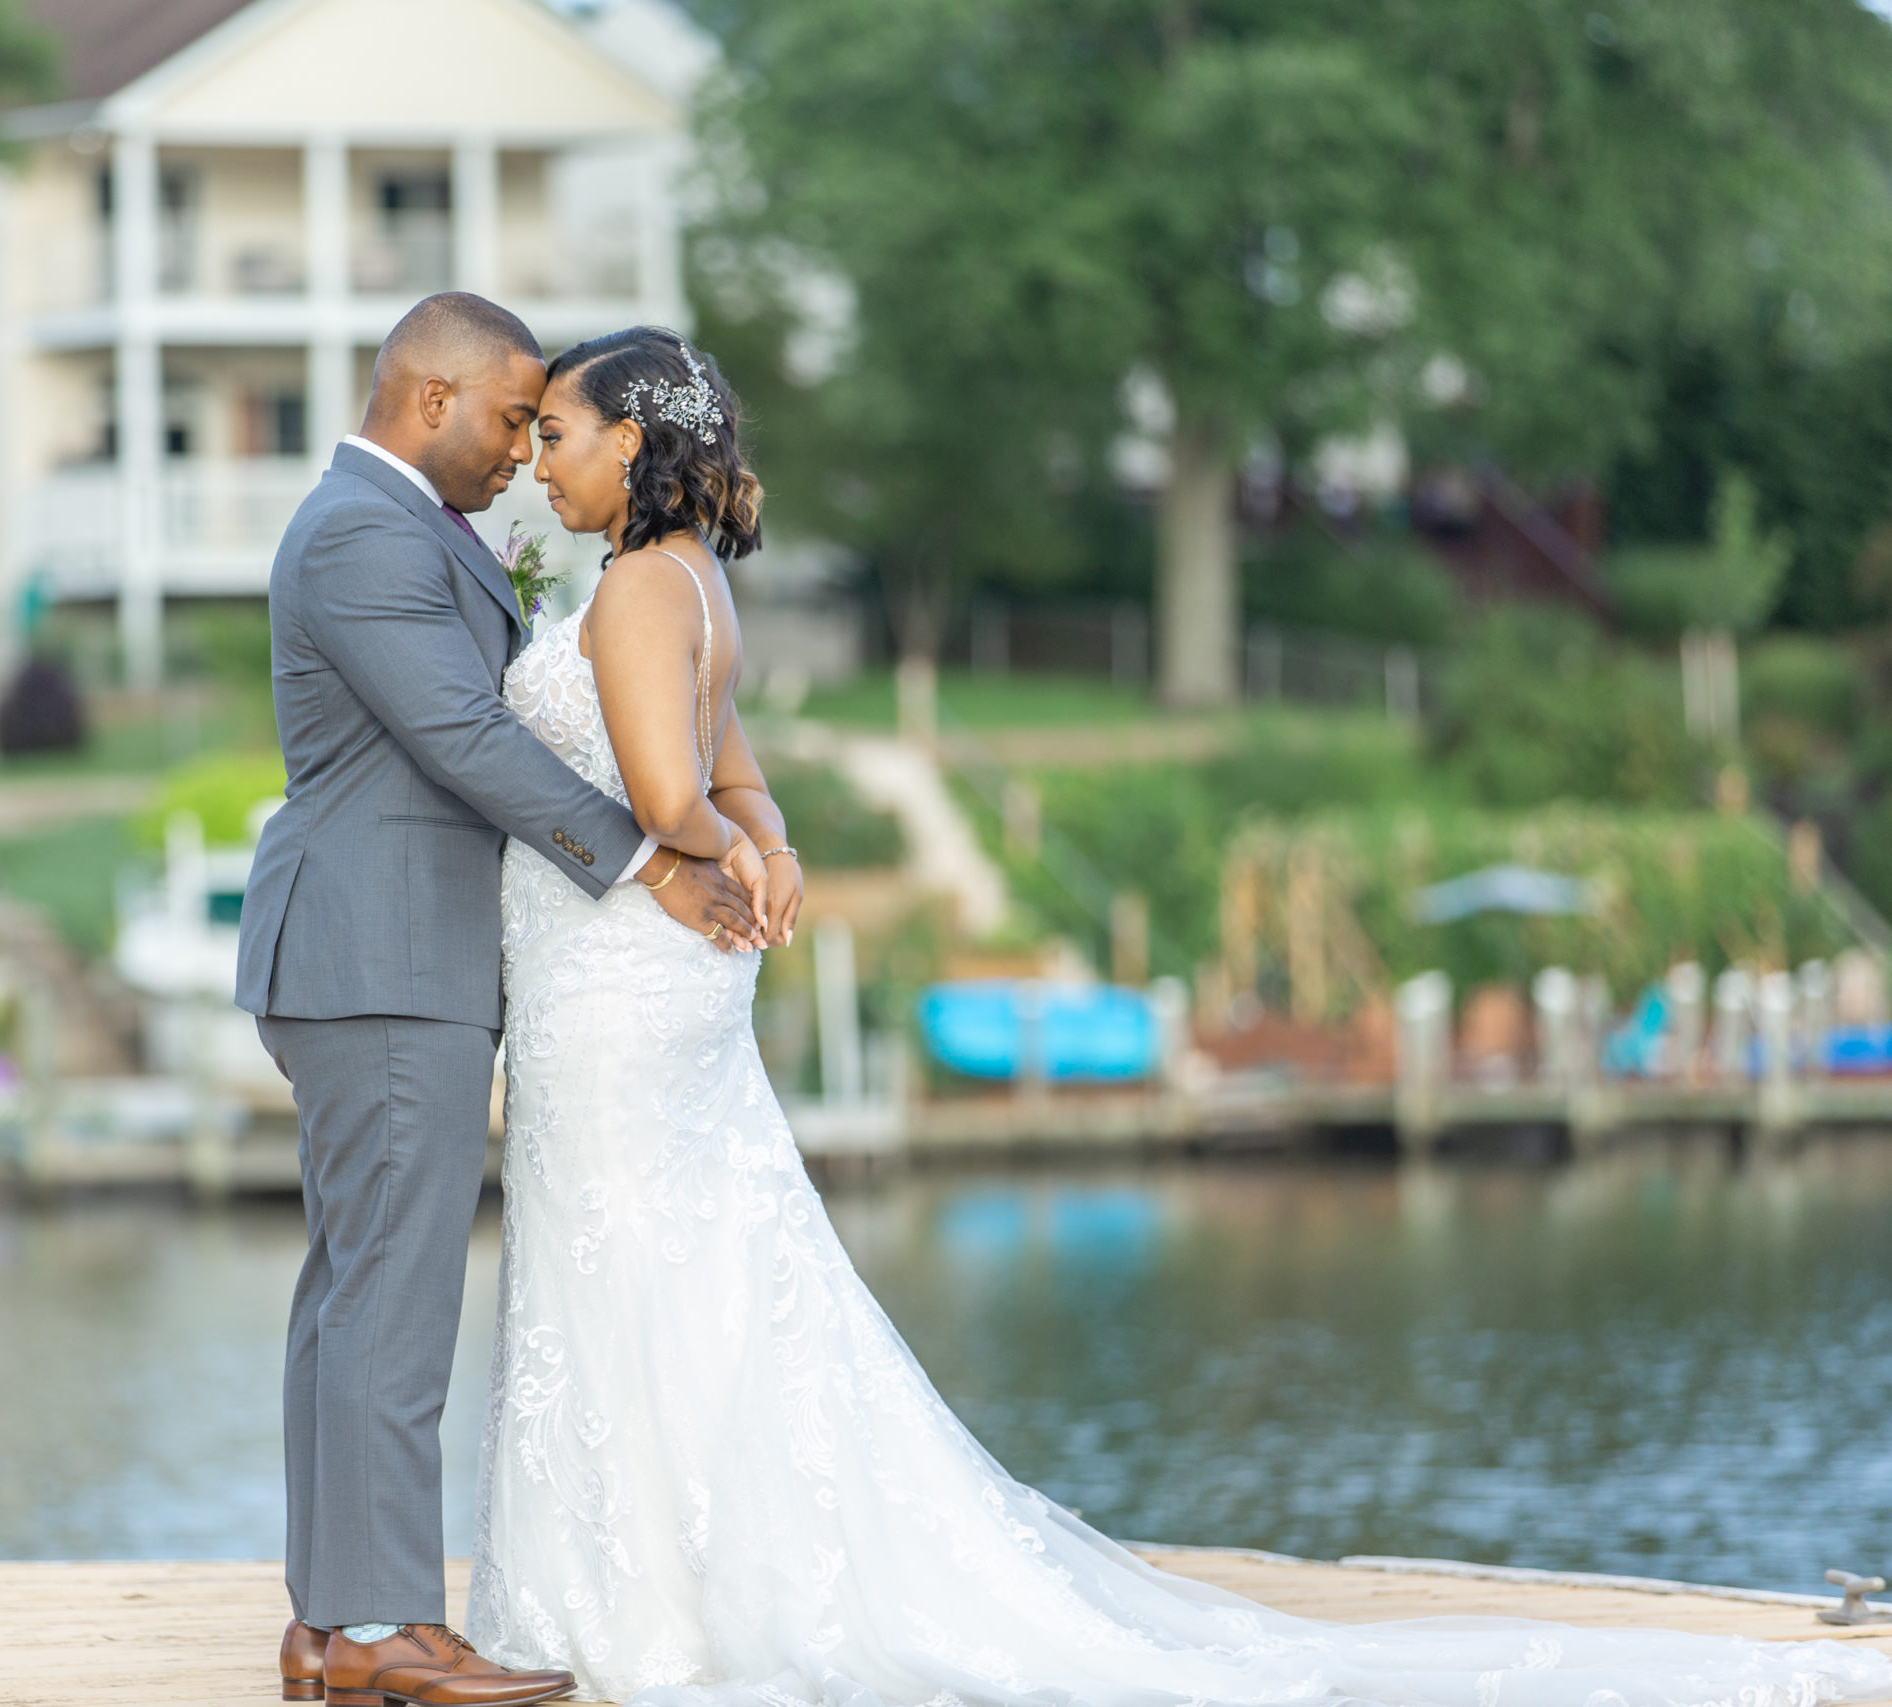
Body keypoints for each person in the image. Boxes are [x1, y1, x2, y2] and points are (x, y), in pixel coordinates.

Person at [462, 323, 1892, 1707]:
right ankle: (676, 1593)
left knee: (634, 1268)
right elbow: (734, 779)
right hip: (661, 983)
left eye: (559, 434)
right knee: (685, 1272)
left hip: (623, 980)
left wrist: (712, 854)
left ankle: (645, 1608)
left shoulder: (638, 588)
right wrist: (769, 850)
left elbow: (671, 798)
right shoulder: (697, 580)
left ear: (632, 442)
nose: (537, 462)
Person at [235, 292, 761, 1707]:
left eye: (543, 427)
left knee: (355, 1289)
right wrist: (651, 861)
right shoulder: (361, 533)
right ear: (431, 401)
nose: (523, 450)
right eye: (512, 419)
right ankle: (381, 1624)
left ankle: (329, 1622)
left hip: (390, 954)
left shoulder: (409, 528)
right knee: (390, 1298)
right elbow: (463, 735)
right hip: (382, 956)